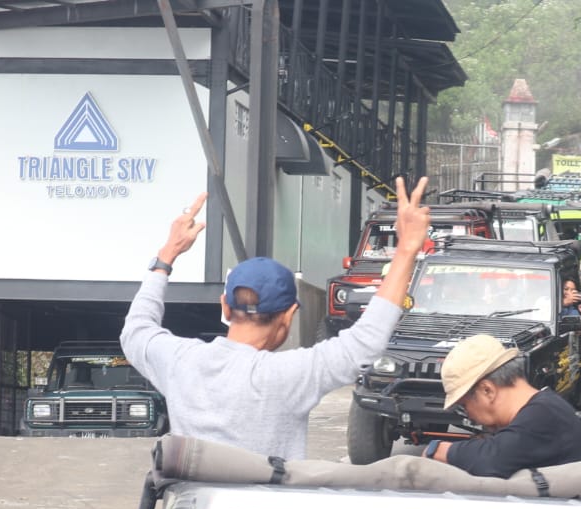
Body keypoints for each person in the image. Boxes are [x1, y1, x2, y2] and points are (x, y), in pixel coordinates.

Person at [121, 176, 432, 460]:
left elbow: (136, 330)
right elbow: (366, 342)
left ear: (225, 308)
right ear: (289, 315)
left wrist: (166, 257)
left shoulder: (179, 362)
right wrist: (405, 250)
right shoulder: (290, 375)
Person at [421, 334, 581, 476]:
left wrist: (437, 449)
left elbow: (491, 459)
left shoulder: (543, 415)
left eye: (464, 405)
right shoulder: (545, 407)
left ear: (487, 391)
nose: (468, 415)